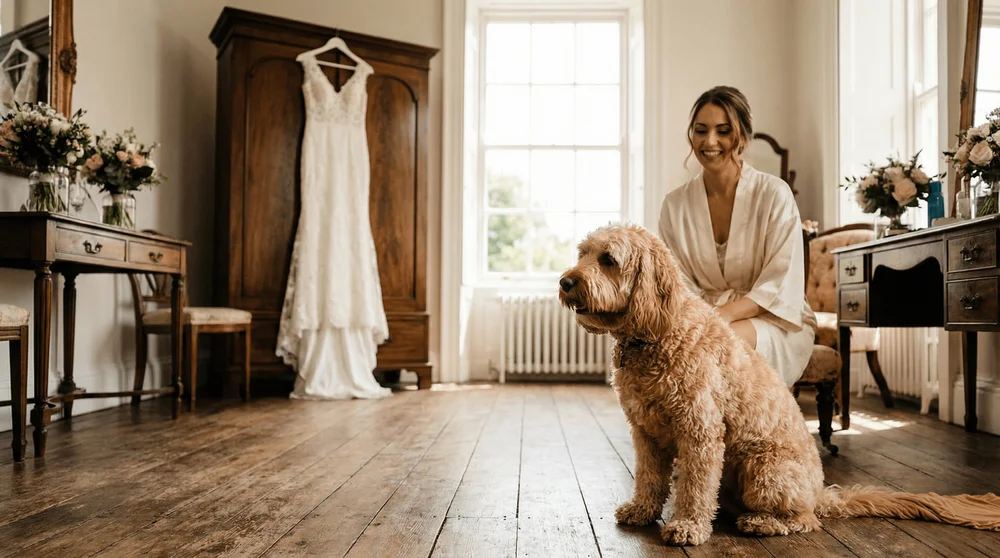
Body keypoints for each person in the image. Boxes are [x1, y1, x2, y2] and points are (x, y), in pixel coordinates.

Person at [658, 86, 816, 387]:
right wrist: (700, 319)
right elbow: (676, 282)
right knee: (679, 347)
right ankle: (693, 430)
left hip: (775, 321)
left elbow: (778, 284)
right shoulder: (675, 206)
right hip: (700, 319)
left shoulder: (774, 194)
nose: (710, 141)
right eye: (701, 131)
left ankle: (727, 430)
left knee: (710, 345)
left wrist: (717, 317)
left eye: (723, 130)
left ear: (742, 136)